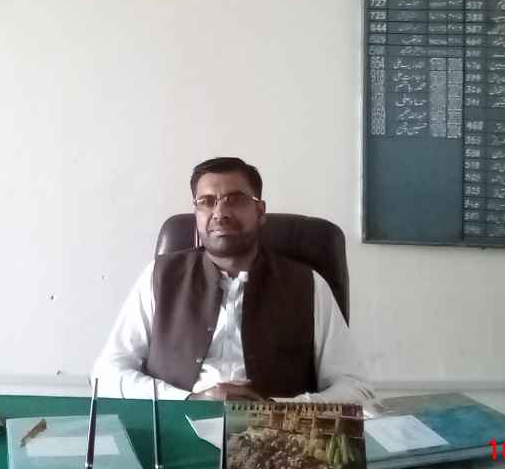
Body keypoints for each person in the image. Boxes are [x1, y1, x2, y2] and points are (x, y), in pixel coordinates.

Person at [92, 156, 374, 402]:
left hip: (277, 437)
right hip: (176, 429)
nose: (220, 213)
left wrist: (277, 410)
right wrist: (189, 400)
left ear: (260, 211)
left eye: (235, 200)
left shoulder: (308, 285)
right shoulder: (159, 277)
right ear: (196, 213)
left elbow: (357, 389)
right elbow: (105, 374)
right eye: (207, 202)